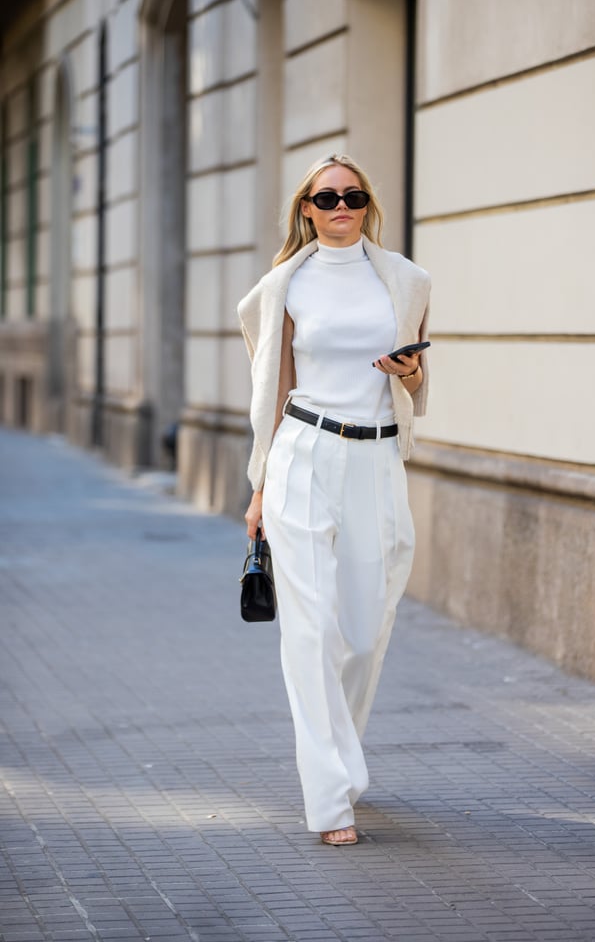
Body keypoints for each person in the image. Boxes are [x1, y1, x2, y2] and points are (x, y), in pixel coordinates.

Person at [238, 154, 431, 846]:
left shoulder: (406, 280)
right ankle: (328, 799)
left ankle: (342, 760)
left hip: (376, 458)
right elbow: (269, 393)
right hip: (303, 453)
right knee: (310, 627)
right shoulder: (283, 286)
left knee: (363, 625)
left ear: (366, 204)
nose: (340, 206)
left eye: (352, 195)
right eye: (326, 198)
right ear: (306, 210)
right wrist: (258, 486)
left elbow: (417, 385)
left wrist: (408, 374)